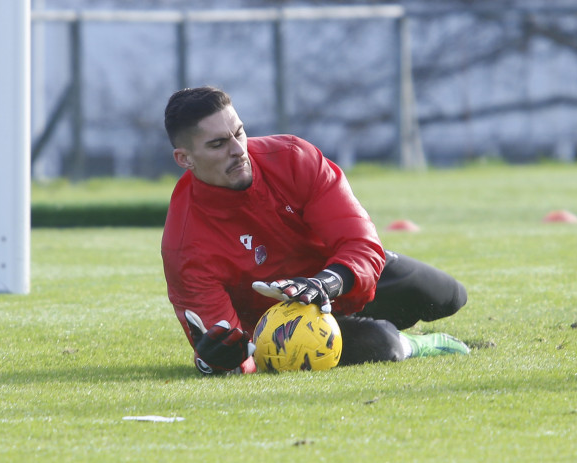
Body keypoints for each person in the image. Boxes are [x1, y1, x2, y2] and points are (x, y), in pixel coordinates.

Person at [162, 86, 470, 375]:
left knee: (451, 295)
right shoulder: (184, 244)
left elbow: (360, 242)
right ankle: (415, 345)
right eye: (218, 144)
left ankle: (365, 320)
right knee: (382, 343)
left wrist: (327, 282)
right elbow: (224, 345)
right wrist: (222, 360)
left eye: (239, 133)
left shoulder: (293, 157)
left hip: (336, 282)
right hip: (281, 326)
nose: (238, 150)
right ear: (184, 159)